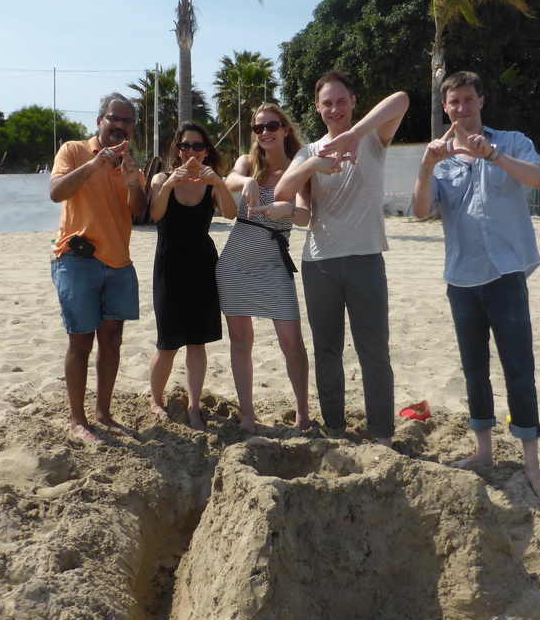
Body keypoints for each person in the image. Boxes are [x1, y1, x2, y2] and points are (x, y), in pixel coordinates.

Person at [412, 71, 540, 500]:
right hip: (461, 276)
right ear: (445, 107)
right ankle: (483, 451)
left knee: (519, 371)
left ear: (481, 101)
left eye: (469, 99)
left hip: (507, 272)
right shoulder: (440, 157)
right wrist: (425, 165)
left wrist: (492, 155)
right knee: (475, 371)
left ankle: (531, 464)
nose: (462, 108)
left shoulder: (511, 141)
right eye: (454, 102)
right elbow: (420, 211)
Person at [274, 71, 409, 446]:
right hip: (320, 264)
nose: (335, 109)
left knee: (374, 352)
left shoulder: (372, 139)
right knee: (327, 351)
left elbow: (400, 98)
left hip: (367, 259)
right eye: (327, 103)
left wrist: (355, 133)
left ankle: (381, 434)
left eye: (341, 101)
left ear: (352, 102)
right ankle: (335, 428)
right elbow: (283, 191)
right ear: (318, 108)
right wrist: (313, 165)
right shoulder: (308, 151)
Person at [49, 92, 147, 443]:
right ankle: (78, 421)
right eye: (114, 118)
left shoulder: (131, 165)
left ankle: (103, 414)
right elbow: (57, 192)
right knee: (80, 342)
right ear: (100, 121)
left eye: (127, 121)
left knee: (112, 340)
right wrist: (94, 164)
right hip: (77, 260)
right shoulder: (73, 151)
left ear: (133, 128)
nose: (120, 125)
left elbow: (138, 209)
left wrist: (133, 181)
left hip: (119, 263)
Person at [215, 104, 312, 434]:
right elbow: (229, 178)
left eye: (272, 126)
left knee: (292, 344)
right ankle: (247, 415)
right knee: (240, 341)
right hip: (234, 265)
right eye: (259, 128)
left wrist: (285, 208)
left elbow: (305, 216)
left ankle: (302, 414)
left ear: (285, 129)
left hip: (273, 265)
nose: (265, 132)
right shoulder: (248, 163)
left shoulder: (298, 169)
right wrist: (247, 182)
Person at [148, 121, 237, 431]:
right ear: (178, 149)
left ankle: (194, 407)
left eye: (198, 146)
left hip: (202, 266)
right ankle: (156, 400)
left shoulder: (212, 182)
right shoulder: (161, 178)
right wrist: (170, 184)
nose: (191, 151)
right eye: (186, 146)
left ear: (206, 150)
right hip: (169, 266)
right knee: (168, 343)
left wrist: (221, 184)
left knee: (198, 343)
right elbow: (155, 214)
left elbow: (230, 213)